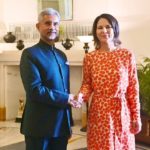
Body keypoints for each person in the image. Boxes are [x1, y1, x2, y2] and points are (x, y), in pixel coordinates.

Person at [76, 13, 142, 150]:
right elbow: (87, 84)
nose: (104, 30)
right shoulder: (90, 58)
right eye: (100, 27)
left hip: (122, 111)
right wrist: (81, 96)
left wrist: (136, 116)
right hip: (99, 112)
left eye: (108, 27)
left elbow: (133, 89)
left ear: (115, 29)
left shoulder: (126, 55)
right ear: (95, 32)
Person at [20, 8, 79, 150]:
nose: (52, 27)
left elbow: (65, 90)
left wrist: (68, 124)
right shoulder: (29, 54)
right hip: (39, 127)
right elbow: (35, 90)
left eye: (55, 24)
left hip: (61, 127)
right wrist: (67, 98)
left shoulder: (62, 55)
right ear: (38, 26)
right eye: (47, 23)